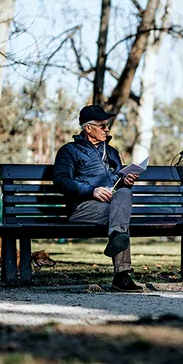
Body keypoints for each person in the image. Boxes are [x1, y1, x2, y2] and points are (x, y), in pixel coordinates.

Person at [53, 104, 142, 292]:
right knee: (120, 220)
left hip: (112, 207)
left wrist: (126, 180)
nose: (107, 129)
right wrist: (91, 191)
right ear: (87, 128)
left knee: (125, 194)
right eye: (102, 126)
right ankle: (122, 276)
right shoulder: (69, 151)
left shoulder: (112, 152)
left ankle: (117, 238)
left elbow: (118, 185)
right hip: (82, 207)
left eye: (107, 125)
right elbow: (61, 180)